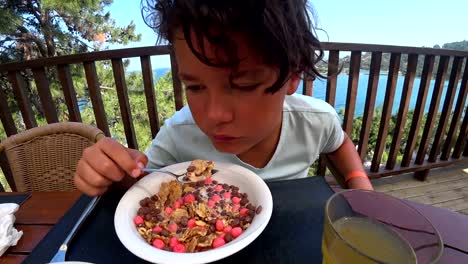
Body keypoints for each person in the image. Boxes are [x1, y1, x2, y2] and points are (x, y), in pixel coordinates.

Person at [74, 0, 373, 196]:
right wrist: (114, 174)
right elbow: (145, 183)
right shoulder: (180, 133)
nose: (214, 115)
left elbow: (339, 142)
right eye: (195, 87)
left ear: (293, 77)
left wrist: (359, 182)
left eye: (242, 85)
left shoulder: (315, 121)